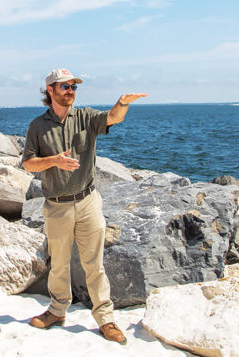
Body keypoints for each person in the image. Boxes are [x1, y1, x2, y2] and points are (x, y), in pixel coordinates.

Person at [22, 68, 147, 345]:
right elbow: (28, 163)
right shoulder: (37, 126)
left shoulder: (86, 116)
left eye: (73, 87)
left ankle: (105, 318)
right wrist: (53, 160)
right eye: (64, 87)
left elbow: (112, 118)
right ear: (50, 91)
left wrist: (122, 103)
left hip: (89, 201)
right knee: (59, 265)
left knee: (95, 264)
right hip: (57, 206)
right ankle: (57, 311)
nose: (70, 91)